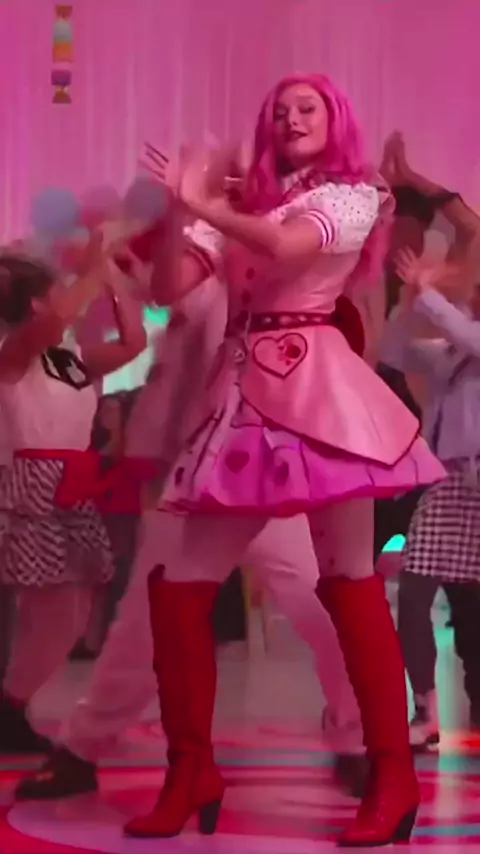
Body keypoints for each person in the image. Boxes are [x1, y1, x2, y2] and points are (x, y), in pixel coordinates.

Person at [122, 75, 445, 847]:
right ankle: (190, 771)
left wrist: (205, 204)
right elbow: (169, 285)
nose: (291, 118)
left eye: (308, 107)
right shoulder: (247, 201)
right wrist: (181, 210)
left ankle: (392, 777)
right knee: (180, 587)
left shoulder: (351, 193)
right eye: (279, 110)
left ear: (337, 121)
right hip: (239, 399)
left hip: (321, 391)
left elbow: (286, 247)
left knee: (351, 580)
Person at [15, 274, 368, 802]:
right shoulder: (204, 282)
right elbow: (165, 322)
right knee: (144, 626)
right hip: (199, 479)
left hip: (271, 475)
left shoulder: (293, 276)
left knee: (325, 609)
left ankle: (356, 739)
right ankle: (84, 748)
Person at [0, 234, 146, 753]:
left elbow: (133, 343)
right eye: (54, 291)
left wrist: (112, 278)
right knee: (56, 610)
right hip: (28, 485)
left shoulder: (64, 357)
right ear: (35, 303)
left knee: (70, 610)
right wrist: (95, 268)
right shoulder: (14, 349)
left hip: (68, 485)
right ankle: (10, 707)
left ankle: (11, 706)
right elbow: (50, 324)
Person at [381, 238, 480, 752]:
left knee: (472, 611)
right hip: (448, 481)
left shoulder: (466, 338)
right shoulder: (455, 351)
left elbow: (463, 331)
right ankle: (424, 709)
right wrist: (407, 302)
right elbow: (397, 353)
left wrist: (427, 293)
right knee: (414, 592)